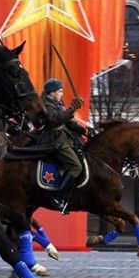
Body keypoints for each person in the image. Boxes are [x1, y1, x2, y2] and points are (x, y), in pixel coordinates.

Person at [39, 78, 90, 213]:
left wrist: (84, 131)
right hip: (54, 141)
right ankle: (58, 197)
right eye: (60, 91)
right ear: (52, 92)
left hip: (64, 139)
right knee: (76, 166)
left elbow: (69, 123)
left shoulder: (57, 105)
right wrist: (72, 108)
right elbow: (57, 119)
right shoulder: (46, 105)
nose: (62, 94)